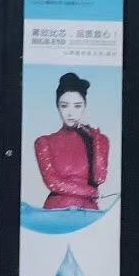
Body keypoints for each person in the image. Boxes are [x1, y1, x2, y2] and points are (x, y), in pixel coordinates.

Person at [34, 72, 109, 211]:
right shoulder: (44, 142)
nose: (70, 113)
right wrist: (91, 192)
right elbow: (53, 183)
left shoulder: (100, 139)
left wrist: (94, 139)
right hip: (56, 211)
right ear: (57, 106)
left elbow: (99, 178)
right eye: (64, 105)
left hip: (90, 213)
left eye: (77, 106)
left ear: (85, 106)